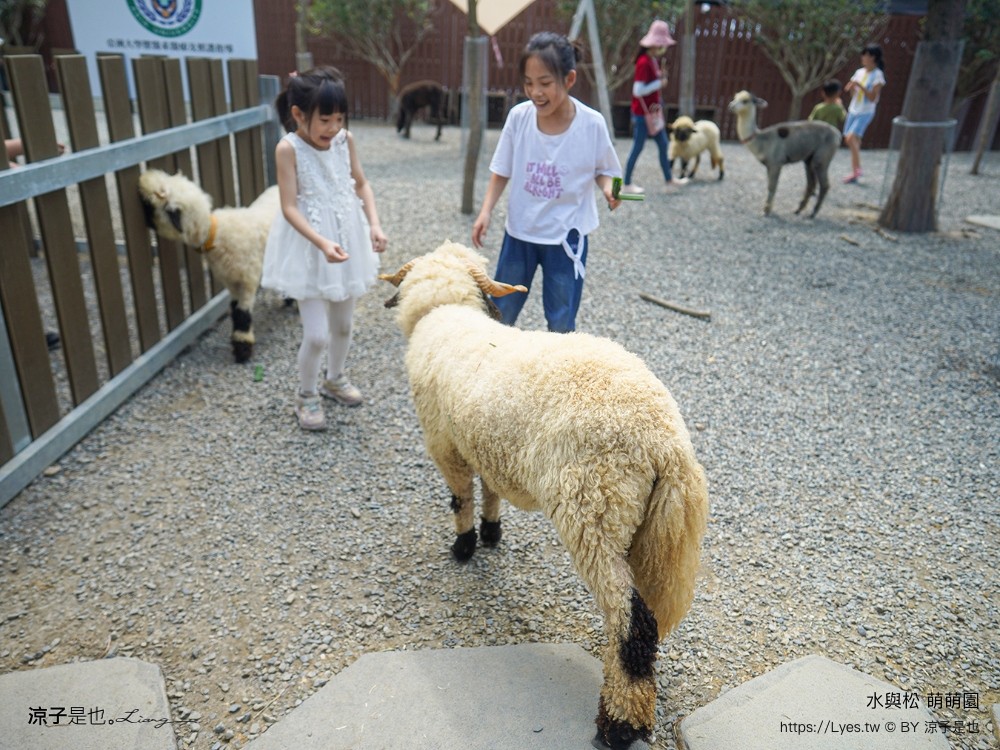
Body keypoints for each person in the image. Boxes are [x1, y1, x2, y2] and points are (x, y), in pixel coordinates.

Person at [261, 67, 388, 431]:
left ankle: (335, 378)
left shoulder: (344, 141)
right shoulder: (288, 148)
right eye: (325, 120)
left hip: (347, 240)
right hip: (309, 248)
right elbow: (288, 207)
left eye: (338, 119)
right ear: (299, 114)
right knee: (317, 334)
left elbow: (361, 184)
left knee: (344, 326)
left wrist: (374, 224)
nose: (332, 128)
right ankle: (306, 394)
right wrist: (320, 242)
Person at [471, 31, 622, 334]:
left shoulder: (591, 123)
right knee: (500, 312)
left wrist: (609, 189)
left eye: (545, 83)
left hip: (566, 238)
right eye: (528, 83)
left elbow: (607, 170)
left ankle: (559, 375)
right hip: (520, 233)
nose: (535, 92)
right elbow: (502, 169)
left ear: (569, 80)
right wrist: (486, 210)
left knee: (561, 321)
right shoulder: (519, 118)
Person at [621, 20, 686, 195]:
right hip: (644, 114)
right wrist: (659, 83)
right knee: (638, 147)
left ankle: (669, 180)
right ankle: (626, 182)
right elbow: (638, 90)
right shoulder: (644, 62)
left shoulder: (651, 60)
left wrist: (658, 78)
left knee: (663, 144)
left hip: (652, 112)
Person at [842, 44, 886, 184]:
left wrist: (860, 86)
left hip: (865, 112)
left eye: (865, 55)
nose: (863, 58)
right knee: (854, 141)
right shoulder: (859, 72)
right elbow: (852, 92)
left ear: (872, 57)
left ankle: (858, 169)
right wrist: (851, 88)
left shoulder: (878, 75)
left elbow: (873, 98)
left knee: (850, 138)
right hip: (854, 109)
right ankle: (855, 172)